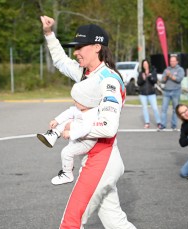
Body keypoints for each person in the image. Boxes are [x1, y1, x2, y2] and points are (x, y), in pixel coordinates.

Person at [40, 15, 136, 229]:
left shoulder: (108, 78)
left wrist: (73, 128)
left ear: (96, 47)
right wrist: (49, 34)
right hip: (100, 159)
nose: (76, 51)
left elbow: (109, 127)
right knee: (117, 223)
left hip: (102, 159)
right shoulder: (86, 74)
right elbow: (61, 61)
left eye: (80, 47)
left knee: (70, 223)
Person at [37, 80, 101, 185]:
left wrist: (70, 133)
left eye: (77, 101)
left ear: (87, 101)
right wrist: (56, 120)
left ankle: (67, 174)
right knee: (67, 120)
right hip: (77, 136)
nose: (74, 103)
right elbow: (68, 112)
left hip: (86, 142)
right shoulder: (79, 108)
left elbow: (85, 129)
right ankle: (53, 134)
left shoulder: (92, 114)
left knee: (66, 153)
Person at [159, 55, 185, 130]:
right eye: (171, 61)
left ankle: (174, 125)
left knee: (175, 109)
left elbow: (178, 79)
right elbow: (162, 80)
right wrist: (166, 76)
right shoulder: (167, 69)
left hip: (176, 91)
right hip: (166, 91)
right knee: (164, 109)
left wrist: (170, 75)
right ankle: (163, 125)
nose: (172, 62)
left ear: (177, 61)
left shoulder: (180, 69)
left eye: (173, 61)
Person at [137, 59, 162, 129]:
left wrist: (150, 76)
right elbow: (139, 83)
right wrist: (143, 79)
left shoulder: (153, 71)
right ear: (142, 65)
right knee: (145, 108)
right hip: (143, 94)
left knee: (155, 108)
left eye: (146, 64)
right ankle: (147, 122)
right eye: (144, 64)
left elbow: (155, 81)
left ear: (148, 64)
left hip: (151, 93)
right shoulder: (140, 73)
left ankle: (158, 122)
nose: (145, 65)